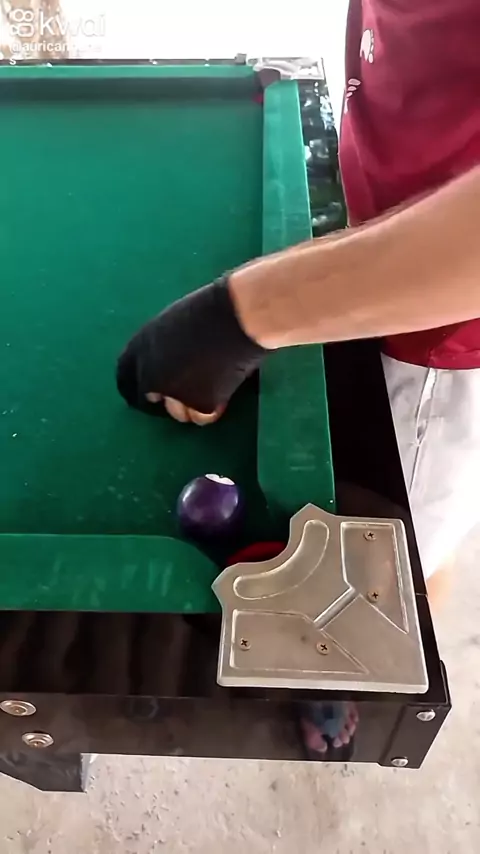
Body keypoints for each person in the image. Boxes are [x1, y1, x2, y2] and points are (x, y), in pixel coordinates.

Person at [117, 0, 480, 607]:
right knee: (413, 560)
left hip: (438, 352)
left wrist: (242, 317)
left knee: (381, 594)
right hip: (379, 244)